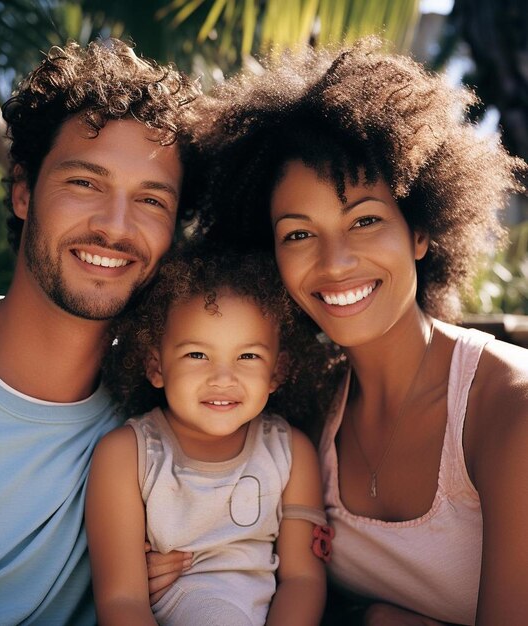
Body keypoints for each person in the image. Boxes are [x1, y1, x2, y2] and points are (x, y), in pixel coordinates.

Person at [182, 38, 528, 625]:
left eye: (365, 220)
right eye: (297, 233)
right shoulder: (308, 412)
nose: (335, 262)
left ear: (420, 233)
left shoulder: (507, 410)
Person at [0, 39, 199, 625]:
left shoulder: (171, 411)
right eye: (85, 183)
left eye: (150, 200)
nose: (115, 227)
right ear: (22, 191)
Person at [85, 245, 337, 625]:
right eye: (197, 355)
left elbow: (303, 580)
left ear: (277, 371)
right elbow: (121, 601)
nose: (223, 378)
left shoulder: (289, 453)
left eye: (248, 357)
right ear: (156, 365)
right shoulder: (127, 455)